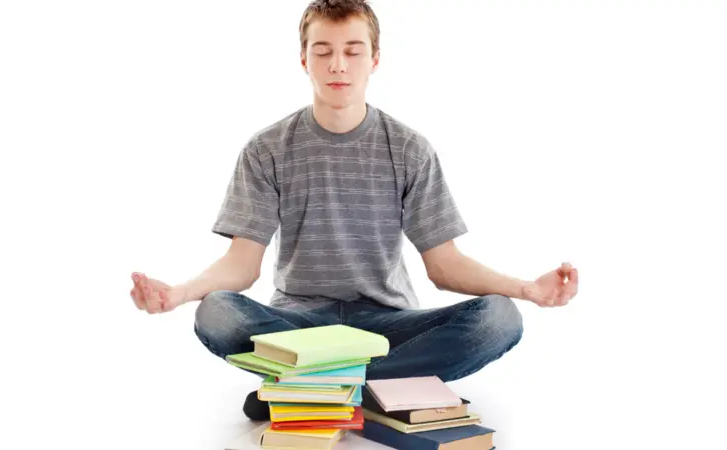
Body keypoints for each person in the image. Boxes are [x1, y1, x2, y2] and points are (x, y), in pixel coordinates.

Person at [129, 0, 579, 420]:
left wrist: (527, 290)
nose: (338, 65)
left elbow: (445, 266)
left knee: (499, 318)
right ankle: (385, 388)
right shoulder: (266, 149)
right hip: (300, 325)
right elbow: (241, 266)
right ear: (304, 60)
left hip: (388, 323)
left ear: (375, 59)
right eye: (322, 51)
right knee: (216, 312)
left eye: (353, 51)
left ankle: (314, 391)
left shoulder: (410, 149)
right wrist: (179, 294)